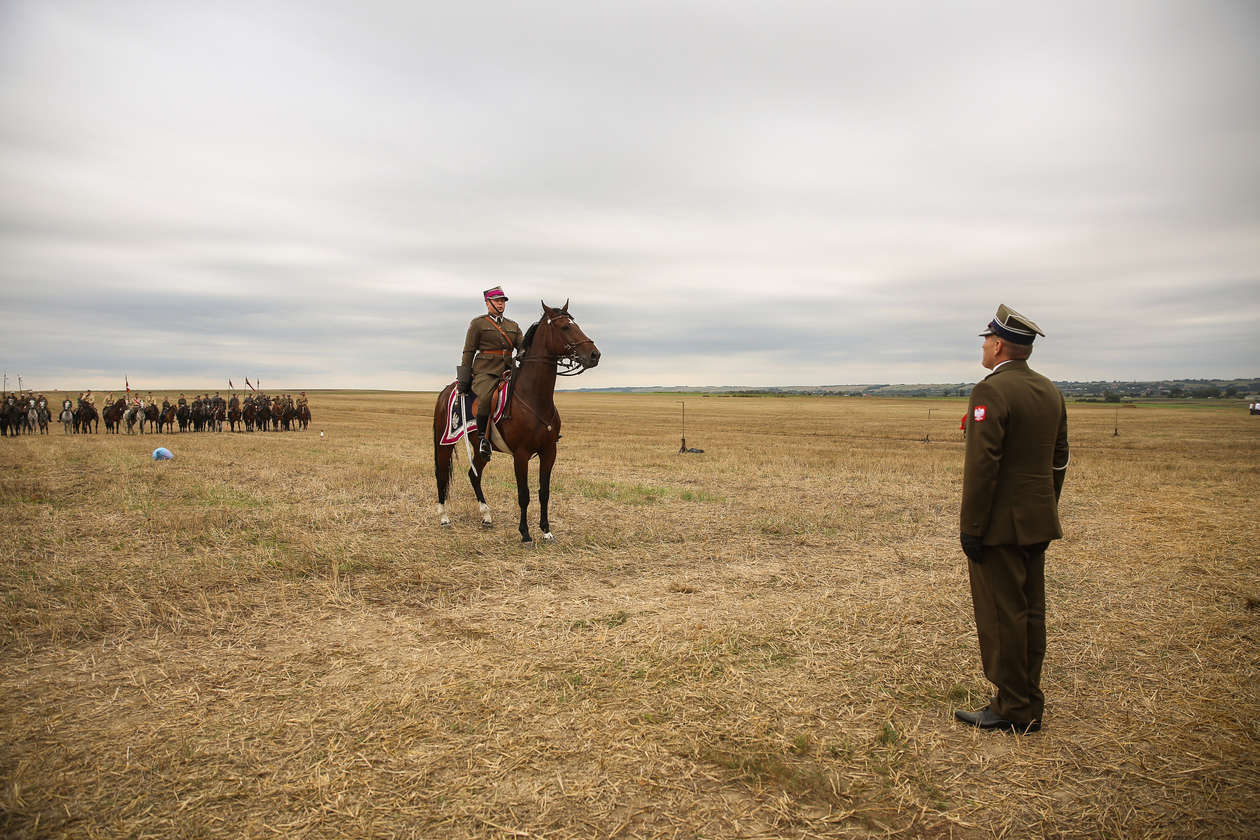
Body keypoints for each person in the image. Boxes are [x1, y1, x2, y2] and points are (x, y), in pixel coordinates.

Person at [955, 304, 1070, 734]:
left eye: (987, 339)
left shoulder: (991, 391)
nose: (984, 346)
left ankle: (1013, 708)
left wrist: (973, 527)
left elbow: (983, 467)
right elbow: (1060, 457)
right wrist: (1044, 505)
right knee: (1029, 612)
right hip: (1037, 521)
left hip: (1000, 527)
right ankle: (1027, 699)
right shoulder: (1050, 390)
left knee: (1002, 615)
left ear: (999, 344)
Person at [458, 286, 524, 459]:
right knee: (487, 398)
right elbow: (469, 351)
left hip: (509, 370)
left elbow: (523, 348)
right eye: (497, 301)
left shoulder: (513, 325)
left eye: (503, 301)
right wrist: (463, 378)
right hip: (485, 372)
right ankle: (482, 439)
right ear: (487, 303)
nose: (501, 304)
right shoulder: (478, 324)